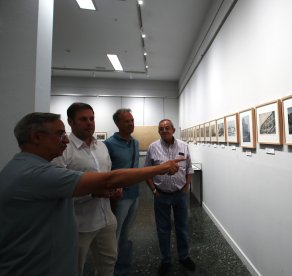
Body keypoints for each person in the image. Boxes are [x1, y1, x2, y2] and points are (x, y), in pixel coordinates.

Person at [0, 112, 180, 276]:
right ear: (36, 137)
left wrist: (99, 192)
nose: (65, 140)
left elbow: (95, 182)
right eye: (59, 134)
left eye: (92, 118)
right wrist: (161, 167)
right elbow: (109, 178)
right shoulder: (34, 173)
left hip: (101, 218)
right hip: (41, 261)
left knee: (110, 257)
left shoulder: (26, 166)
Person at [51, 102, 119, 276]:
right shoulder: (63, 150)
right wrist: (93, 193)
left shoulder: (101, 146)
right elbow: (58, 191)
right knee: (74, 269)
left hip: (106, 220)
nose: (89, 123)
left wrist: (114, 188)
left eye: (91, 118)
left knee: (108, 264)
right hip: (78, 225)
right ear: (71, 122)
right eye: (83, 119)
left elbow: (108, 176)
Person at [145, 119, 195, 276]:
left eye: (167, 128)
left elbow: (189, 168)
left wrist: (187, 186)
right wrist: (154, 190)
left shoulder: (184, 146)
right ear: (158, 131)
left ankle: (184, 256)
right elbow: (147, 171)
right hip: (161, 195)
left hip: (180, 194)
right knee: (163, 229)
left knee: (182, 227)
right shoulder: (153, 148)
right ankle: (165, 260)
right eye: (161, 128)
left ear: (173, 130)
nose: (164, 130)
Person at [104, 108, 140, 276]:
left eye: (132, 120)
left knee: (126, 233)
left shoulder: (135, 142)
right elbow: (106, 171)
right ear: (118, 124)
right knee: (115, 234)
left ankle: (124, 268)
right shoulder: (109, 144)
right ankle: (112, 270)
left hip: (135, 195)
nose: (131, 123)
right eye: (127, 121)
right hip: (119, 197)